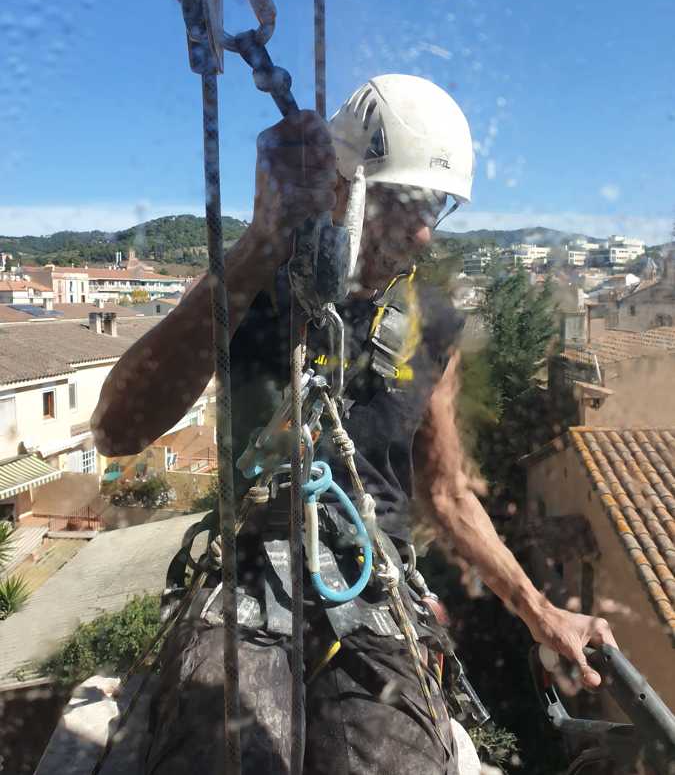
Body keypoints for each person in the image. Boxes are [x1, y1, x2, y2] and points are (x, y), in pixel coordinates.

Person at [93, 74, 616, 775]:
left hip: (372, 586)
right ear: (340, 188)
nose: (424, 229)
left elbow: (447, 493)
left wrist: (538, 612)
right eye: (404, 200)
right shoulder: (253, 285)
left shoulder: (431, 324)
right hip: (247, 574)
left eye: (435, 205)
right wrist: (257, 243)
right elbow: (115, 432)